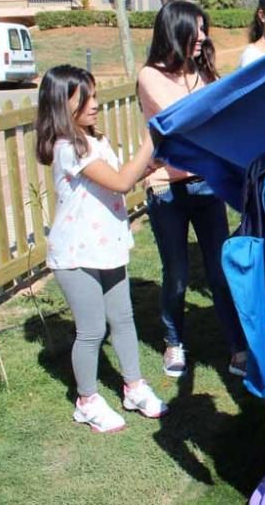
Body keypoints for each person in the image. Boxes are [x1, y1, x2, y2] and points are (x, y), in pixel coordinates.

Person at [35, 65, 168, 433]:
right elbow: (122, 183)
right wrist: (149, 141)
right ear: (63, 104)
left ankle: (134, 386)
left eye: (95, 95)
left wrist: (149, 164)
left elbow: (119, 179)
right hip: (76, 254)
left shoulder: (95, 140)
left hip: (105, 244)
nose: (96, 103)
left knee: (123, 319)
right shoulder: (67, 147)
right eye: (86, 98)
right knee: (92, 330)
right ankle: (87, 400)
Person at [137, 1, 246, 379]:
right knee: (178, 274)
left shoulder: (203, 73)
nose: (203, 37)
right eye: (195, 30)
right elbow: (186, 122)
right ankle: (173, 341)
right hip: (166, 188)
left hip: (206, 184)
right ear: (174, 31)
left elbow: (221, 117)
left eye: (204, 30)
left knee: (220, 272)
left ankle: (237, 347)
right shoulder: (150, 77)